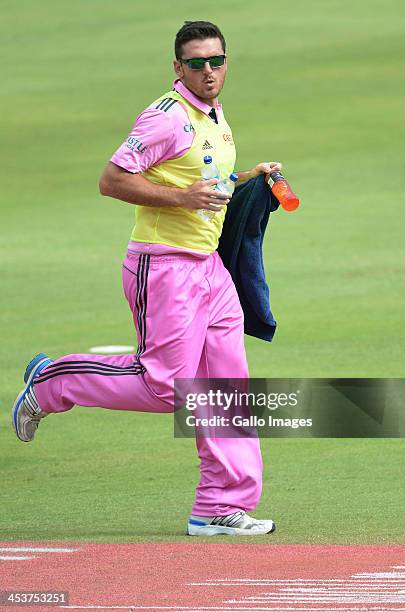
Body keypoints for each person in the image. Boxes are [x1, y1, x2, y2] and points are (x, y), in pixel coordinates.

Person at [12, 21, 281, 536]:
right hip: (164, 268)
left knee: (225, 389)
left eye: (216, 61)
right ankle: (52, 381)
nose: (208, 71)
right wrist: (183, 199)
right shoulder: (165, 118)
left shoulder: (216, 117)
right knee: (165, 387)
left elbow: (204, 180)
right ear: (178, 67)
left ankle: (218, 507)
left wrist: (249, 178)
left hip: (210, 270)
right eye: (197, 63)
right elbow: (112, 179)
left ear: (226, 63)